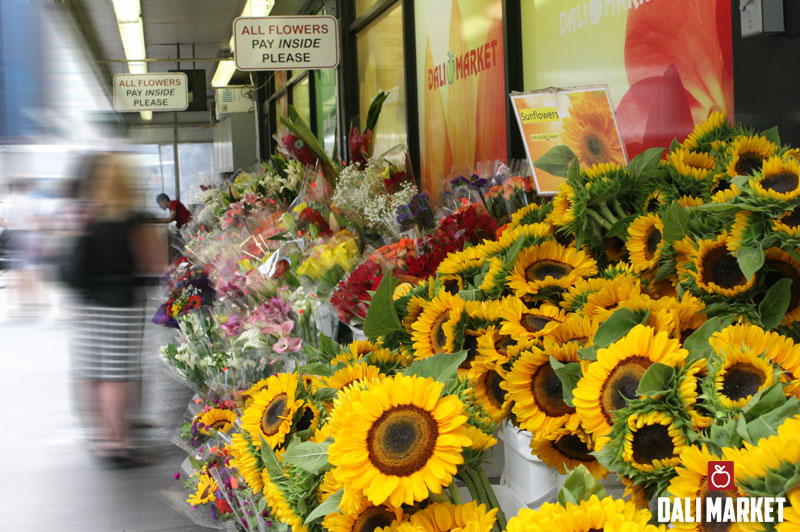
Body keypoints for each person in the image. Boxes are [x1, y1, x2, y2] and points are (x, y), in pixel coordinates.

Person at [66, 153, 163, 464]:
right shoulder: (134, 218)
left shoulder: (90, 216)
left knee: (94, 371)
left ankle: (101, 436)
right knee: (117, 375)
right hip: (123, 304)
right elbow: (153, 264)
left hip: (90, 304)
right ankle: (117, 442)